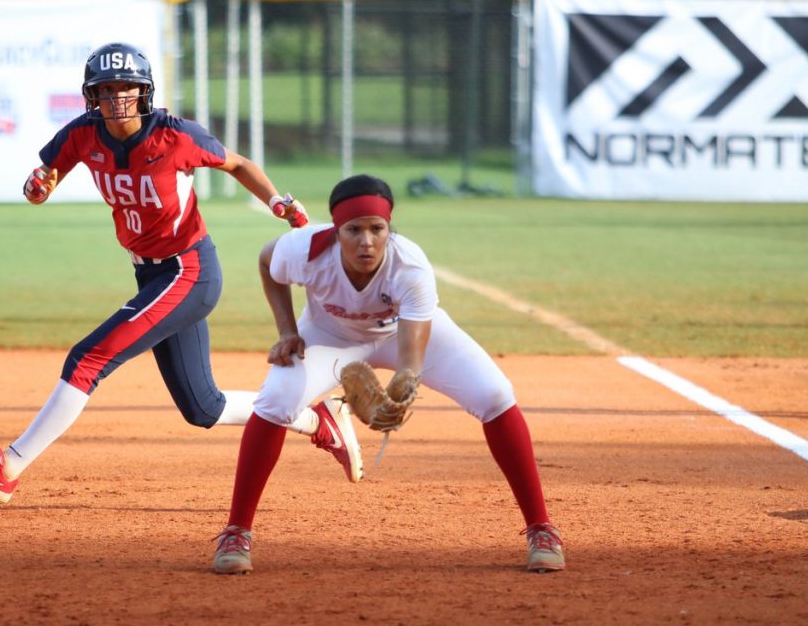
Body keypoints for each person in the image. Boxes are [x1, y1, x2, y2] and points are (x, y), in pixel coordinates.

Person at [0, 42, 364, 505]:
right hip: (151, 276)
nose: (116, 99)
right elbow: (44, 178)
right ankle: (314, 418)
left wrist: (276, 201)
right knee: (202, 407)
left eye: (126, 88)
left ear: (144, 93)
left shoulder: (175, 136)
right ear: (91, 96)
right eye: (106, 89)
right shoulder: (83, 134)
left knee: (88, 359)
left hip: (189, 271)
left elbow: (237, 163)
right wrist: (37, 187)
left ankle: (7, 466)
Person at [212, 174, 565, 575]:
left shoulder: (409, 265)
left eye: (377, 229)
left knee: (495, 394)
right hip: (329, 337)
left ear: (388, 228)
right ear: (335, 229)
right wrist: (288, 331)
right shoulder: (305, 248)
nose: (366, 241)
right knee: (276, 401)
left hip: (402, 335)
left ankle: (541, 528)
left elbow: (411, 358)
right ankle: (236, 531)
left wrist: (402, 388)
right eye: (354, 229)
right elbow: (266, 261)